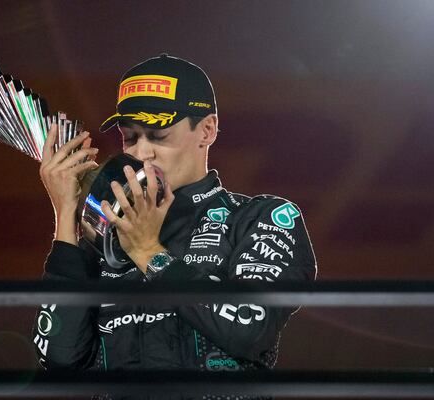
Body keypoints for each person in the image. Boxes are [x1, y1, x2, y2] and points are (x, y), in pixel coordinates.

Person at [32, 54, 317, 398]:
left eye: (158, 135)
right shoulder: (105, 240)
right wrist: (66, 216)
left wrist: (149, 252)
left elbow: (251, 329)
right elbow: (59, 359)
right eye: (131, 137)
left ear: (207, 130)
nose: (143, 153)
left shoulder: (260, 217)